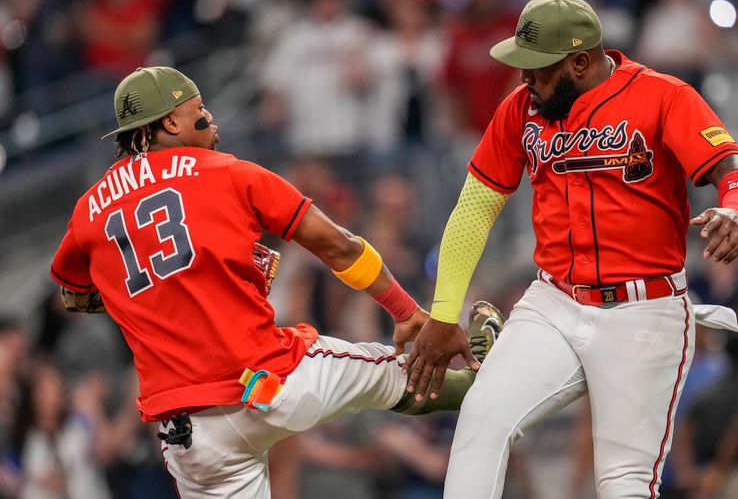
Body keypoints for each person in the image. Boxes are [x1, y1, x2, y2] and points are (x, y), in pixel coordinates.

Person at [48, 66, 505, 498]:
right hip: (272, 381)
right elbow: (339, 246)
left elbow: (73, 294)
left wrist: (155, 295)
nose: (211, 120)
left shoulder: (88, 210)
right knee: (389, 373)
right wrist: (406, 311)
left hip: (190, 432)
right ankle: (483, 379)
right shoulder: (228, 171)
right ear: (169, 121)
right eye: (198, 109)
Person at [406, 0, 738, 498]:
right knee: (481, 420)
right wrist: (444, 313)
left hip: (645, 311)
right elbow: (474, 209)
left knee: (623, 484)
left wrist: (735, 209)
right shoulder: (521, 109)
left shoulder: (664, 96)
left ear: (580, 61)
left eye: (537, 70)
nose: (524, 80)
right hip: (554, 300)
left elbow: (734, 168)